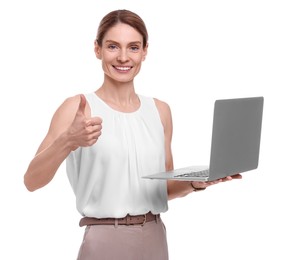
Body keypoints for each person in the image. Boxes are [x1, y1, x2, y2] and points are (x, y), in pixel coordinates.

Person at [24, 9, 242, 260]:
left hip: (155, 236)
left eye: (134, 47)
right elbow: (31, 181)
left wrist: (196, 182)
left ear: (145, 51)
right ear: (97, 50)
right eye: (113, 46)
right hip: (105, 239)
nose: (123, 57)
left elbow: (162, 188)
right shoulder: (78, 107)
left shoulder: (160, 110)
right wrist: (68, 140)